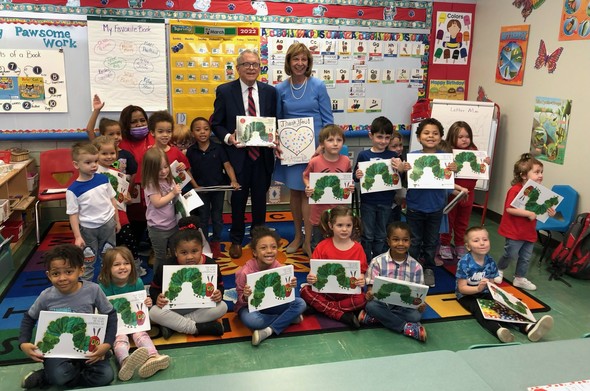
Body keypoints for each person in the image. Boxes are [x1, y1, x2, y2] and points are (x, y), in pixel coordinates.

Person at [19, 244, 117, 389]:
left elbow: (111, 315)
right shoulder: (46, 296)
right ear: (48, 275)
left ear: (81, 270)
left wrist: (107, 344)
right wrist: (23, 343)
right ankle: (51, 375)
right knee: (60, 376)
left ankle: (49, 376)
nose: (62, 278)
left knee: (106, 376)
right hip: (58, 351)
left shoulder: (93, 290)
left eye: (69, 271)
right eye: (56, 274)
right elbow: (29, 318)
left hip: (88, 348)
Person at [211, 49, 277, 259]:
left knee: (260, 200)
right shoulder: (224, 91)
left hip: (263, 156)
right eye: (246, 64)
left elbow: (274, 121)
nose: (251, 68)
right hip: (237, 157)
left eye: (255, 64)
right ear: (237, 68)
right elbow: (216, 123)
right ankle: (237, 239)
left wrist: (274, 136)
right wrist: (228, 137)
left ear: (260, 68)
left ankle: (259, 241)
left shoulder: (270, 92)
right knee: (238, 201)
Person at [274, 42, 333, 256]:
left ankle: (309, 240)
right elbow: (277, 121)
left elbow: (328, 120)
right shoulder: (280, 88)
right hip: (291, 150)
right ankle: (297, 236)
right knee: (295, 193)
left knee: (309, 194)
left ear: (308, 63)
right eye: (295, 59)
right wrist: (277, 141)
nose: (299, 63)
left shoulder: (318, 85)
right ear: (289, 62)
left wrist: (322, 146)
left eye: (303, 59)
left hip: (315, 151)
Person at [397, 118, 465, 288]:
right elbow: (404, 182)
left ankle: (428, 268)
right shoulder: (411, 157)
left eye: (435, 133)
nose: (430, 136)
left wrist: (454, 173)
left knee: (431, 241)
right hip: (415, 206)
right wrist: (402, 170)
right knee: (414, 240)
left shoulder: (446, 160)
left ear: (441, 137)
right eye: (426, 133)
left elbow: (447, 184)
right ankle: (411, 267)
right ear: (419, 137)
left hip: (436, 207)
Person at [456, 226, 554, 342]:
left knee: (503, 305)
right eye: (476, 241)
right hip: (467, 296)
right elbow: (461, 288)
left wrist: (501, 296)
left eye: (485, 239)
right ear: (468, 246)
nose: (482, 243)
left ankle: (528, 327)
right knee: (481, 309)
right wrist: (478, 288)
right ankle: (498, 330)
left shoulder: (490, 261)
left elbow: (491, 285)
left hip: (484, 291)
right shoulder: (464, 263)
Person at [98, 247, 170, 380]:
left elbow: (141, 303)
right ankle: (125, 361)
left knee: (141, 334)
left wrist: (147, 302)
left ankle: (153, 356)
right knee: (120, 339)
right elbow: (103, 308)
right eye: (117, 264)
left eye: (126, 263)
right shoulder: (103, 286)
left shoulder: (137, 282)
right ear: (107, 268)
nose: (122, 267)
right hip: (117, 323)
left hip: (135, 320)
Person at [149, 216, 227, 339]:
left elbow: (220, 286)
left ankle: (173, 326)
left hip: (200, 307)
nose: (189, 257)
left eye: (194, 251)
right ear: (175, 252)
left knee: (222, 307)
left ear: (202, 249)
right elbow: (154, 289)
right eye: (184, 253)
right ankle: (198, 328)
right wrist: (157, 297)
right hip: (174, 308)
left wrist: (219, 294)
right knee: (153, 312)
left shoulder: (210, 264)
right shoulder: (166, 266)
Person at [235, 226, 306, 346]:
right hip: (250, 307)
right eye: (263, 248)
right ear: (254, 252)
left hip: (272, 304)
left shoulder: (278, 266)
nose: (269, 251)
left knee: (301, 303)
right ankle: (289, 318)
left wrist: (290, 286)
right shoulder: (245, 272)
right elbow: (240, 301)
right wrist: (246, 296)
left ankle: (268, 331)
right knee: (254, 322)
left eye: (273, 247)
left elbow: (283, 294)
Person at [495, 153, 555, 291]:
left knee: (526, 257)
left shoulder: (538, 192)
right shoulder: (515, 190)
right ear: (523, 175)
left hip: (528, 232)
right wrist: (528, 213)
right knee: (510, 253)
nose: (540, 175)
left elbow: (541, 210)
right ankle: (499, 269)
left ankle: (520, 277)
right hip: (514, 231)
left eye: (541, 172)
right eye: (536, 172)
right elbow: (509, 209)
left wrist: (550, 212)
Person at [300, 206, 367, 329]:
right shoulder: (322, 246)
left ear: (353, 226)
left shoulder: (358, 248)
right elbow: (313, 273)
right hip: (326, 292)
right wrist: (311, 278)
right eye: (340, 225)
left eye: (348, 225)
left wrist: (362, 279)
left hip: (348, 294)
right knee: (304, 291)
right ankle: (341, 315)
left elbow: (361, 273)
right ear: (331, 226)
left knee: (363, 299)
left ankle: (322, 308)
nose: (344, 229)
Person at [360, 222, 427, 342]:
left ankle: (376, 318)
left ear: (410, 241)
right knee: (371, 305)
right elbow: (371, 286)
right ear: (388, 241)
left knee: (415, 315)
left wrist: (420, 304)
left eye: (405, 240)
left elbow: (419, 294)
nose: (401, 244)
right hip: (382, 303)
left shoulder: (416, 266)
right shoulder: (377, 262)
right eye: (396, 240)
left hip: (404, 306)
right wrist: (370, 293)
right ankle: (405, 327)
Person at [186, 116, 240, 259]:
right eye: (198, 130)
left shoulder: (219, 148)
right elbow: (187, 170)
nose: (202, 132)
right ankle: (203, 243)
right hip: (201, 190)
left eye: (206, 129)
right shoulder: (191, 151)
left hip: (218, 188)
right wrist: (195, 186)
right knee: (203, 218)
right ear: (192, 133)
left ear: (210, 131)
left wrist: (233, 180)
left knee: (217, 216)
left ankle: (216, 242)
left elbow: (227, 166)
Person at [92, 136, 146, 276]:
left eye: (112, 153)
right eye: (104, 153)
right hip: (102, 215)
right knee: (107, 246)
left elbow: (122, 195)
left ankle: (134, 268)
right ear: (95, 154)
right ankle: (108, 271)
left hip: (120, 213)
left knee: (129, 241)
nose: (109, 156)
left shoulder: (117, 173)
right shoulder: (92, 173)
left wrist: (126, 197)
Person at [66, 142, 120, 281]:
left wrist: (117, 221)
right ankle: (86, 287)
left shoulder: (103, 178)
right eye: (88, 162)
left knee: (108, 256)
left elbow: (112, 200)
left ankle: (108, 283)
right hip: (88, 229)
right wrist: (77, 236)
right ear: (76, 165)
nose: (94, 165)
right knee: (88, 259)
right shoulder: (73, 190)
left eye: (96, 161)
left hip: (108, 224)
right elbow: (73, 214)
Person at [439, 121, 492, 262]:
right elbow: (442, 173)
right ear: (452, 137)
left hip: (469, 193)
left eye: (467, 136)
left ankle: (459, 244)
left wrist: (485, 162)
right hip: (453, 193)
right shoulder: (447, 152)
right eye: (460, 136)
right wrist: (450, 168)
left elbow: (479, 169)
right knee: (449, 220)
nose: (464, 139)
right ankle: (444, 243)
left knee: (463, 221)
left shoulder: (475, 152)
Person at [354, 116, 400, 261]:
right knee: (367, 234)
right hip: (368, 201)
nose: (383, 141)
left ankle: (378, 261)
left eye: (387, 137)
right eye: (379, 137)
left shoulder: (393, 156)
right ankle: (366, 260)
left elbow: (398, 177)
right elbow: (355, 177)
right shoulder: (364, 155)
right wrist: (357, 174)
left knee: (381, 234)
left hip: (386, 201)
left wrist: (400, 168)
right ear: (371, 136)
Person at [303, 124, 354, 253]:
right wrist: (308, 186)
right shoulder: (315, 161)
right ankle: (317, 265)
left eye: (339, 140)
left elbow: (348, 177)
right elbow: (305, 176)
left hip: (339, 210)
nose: (335, 144)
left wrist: (350, 186)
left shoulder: (346, 160)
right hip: (319, 211)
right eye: (330, 140)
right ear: (322, 143)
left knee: (337, 239)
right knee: (318, 242)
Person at [141, 147, 181, 271]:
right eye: (158, 169)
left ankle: (174, 275)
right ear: (150, 170)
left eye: (165, 167)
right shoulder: (151, 183)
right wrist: (173, 193)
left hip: (173, 224)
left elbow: (175, 196)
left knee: (176, 253)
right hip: (158, 228)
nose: (164, 171)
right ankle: (157, 281)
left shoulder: (168, 179)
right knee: (160, 256)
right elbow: (157, 202)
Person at [85, 95, 138, 180]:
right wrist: (96, 110)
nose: (116, 137)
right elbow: (89, 130)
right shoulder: (98, 148)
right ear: (102, 135)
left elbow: (133, 175)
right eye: (111, 134)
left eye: (118, 133)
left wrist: (129, 191)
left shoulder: (127, 155)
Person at [387, 130, 406, 225]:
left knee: (396, 223)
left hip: (398, 201)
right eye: (394, 146)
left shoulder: (403, 160)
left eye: (400, 145)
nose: (399, 148)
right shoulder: (385, 162)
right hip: (387, 202)